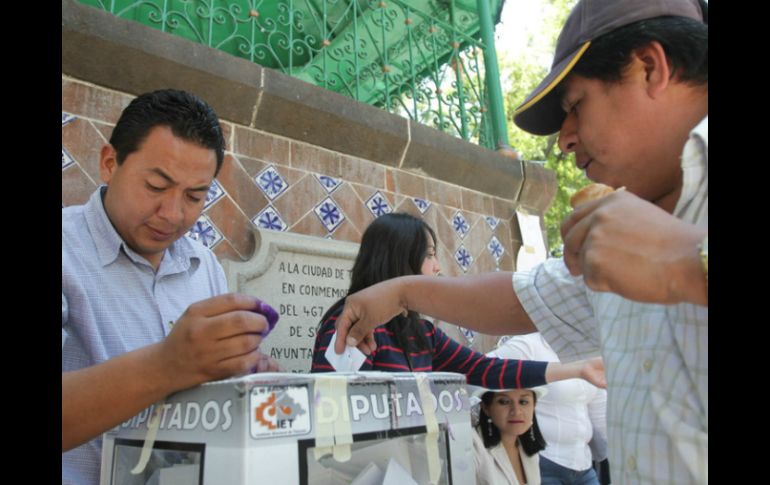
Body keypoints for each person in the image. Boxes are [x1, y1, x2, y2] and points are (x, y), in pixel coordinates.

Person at [332, 1, 707, 483]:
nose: (563, 141)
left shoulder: (653, 239)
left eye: (575, 106)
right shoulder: (624, 237)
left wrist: (686, 265)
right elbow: (520, 299)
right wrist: (399, 291)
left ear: (649, 68)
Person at [62, 89, 280, 484]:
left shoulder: (203, 265)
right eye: (156, 186)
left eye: (195, 196)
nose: (173, 214)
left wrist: (242, 373)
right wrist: (167, 365)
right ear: (110, 163)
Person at [310, 213, 606, 391]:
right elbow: (328, 400)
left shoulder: (421, 333)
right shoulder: (354, 322)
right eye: (428, 255)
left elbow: (485, 369)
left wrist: (577, 370)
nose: (437, 267)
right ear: (398, 258)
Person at [490, 334, 608, 485]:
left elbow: (600, 414)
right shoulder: (528, 346)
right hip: (544, 462)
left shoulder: (591, 351)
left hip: (583, 464)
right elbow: (480, 371)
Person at [472, 386, 547, 485]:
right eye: (504, 402)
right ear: (486, 407)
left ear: (534, 406)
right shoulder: (472, 444)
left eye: (523, 402)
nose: (516, 411)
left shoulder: (528, 447)